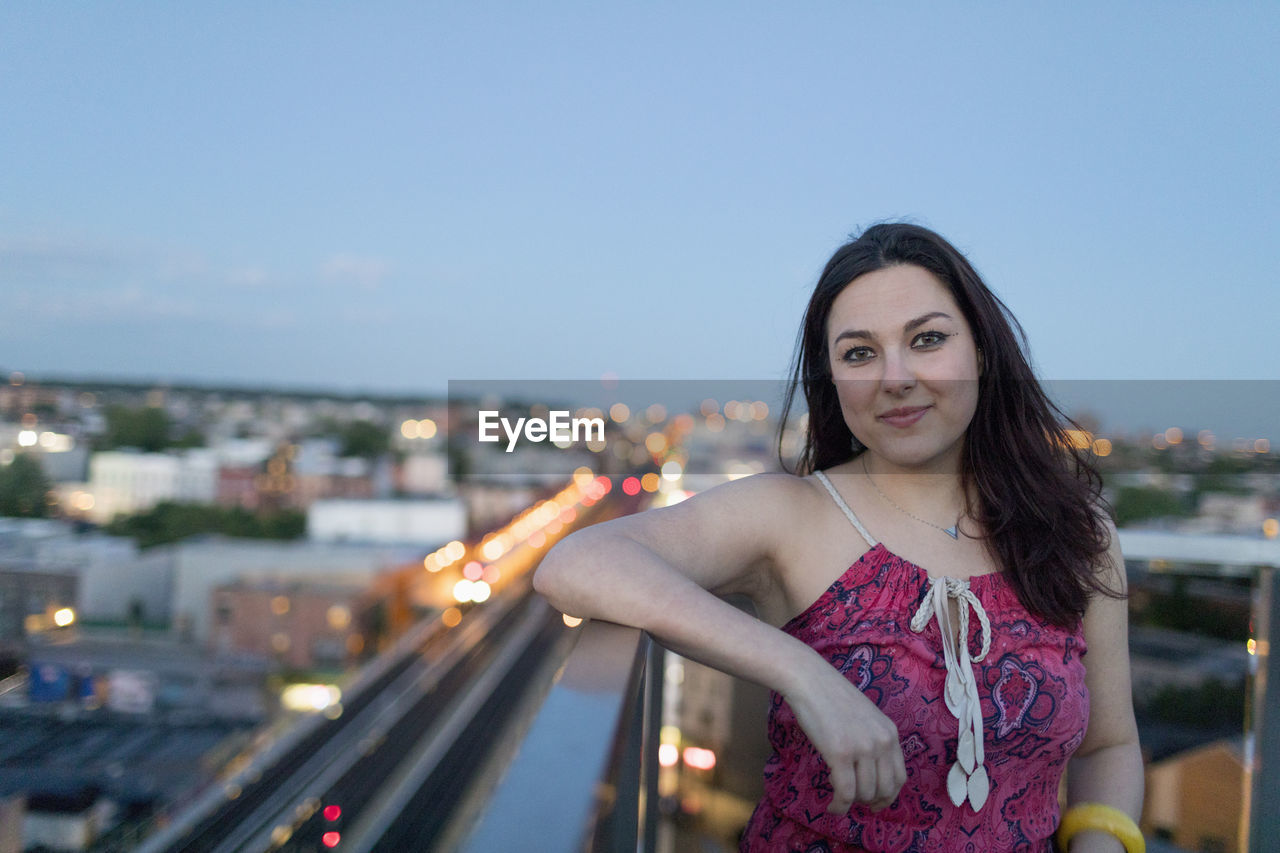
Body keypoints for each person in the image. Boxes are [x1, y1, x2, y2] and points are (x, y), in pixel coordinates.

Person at [533, 223, 1144, 852]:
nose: (895, 377)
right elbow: (577, 562)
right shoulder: (793, 514)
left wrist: (1100, 841)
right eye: (859, 353)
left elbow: (1109, 744)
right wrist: (805, 673)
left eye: (928, 340)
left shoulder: (1076, 533)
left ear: (982, 351)